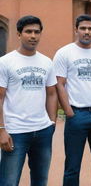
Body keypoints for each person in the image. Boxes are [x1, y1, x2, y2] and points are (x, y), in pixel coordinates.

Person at [53, 14, 91, 186]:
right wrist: (69, 113)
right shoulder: (64, 53)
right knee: (72, 166)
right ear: (76, 30)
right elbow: (59, 84)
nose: (87, 32)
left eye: (90, 29)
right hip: (77, 115)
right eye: (83, 28)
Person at [0, 15, 58, 186]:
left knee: (40, 180)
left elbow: (52, 93)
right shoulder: (5, 62)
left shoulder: (46, 62)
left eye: (37, 32)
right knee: (9, 181)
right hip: (15, 132)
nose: (33, 36)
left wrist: (52, 122)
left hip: (42, 131)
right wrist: (1, 129)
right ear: (19, 34)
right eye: (28, 32)